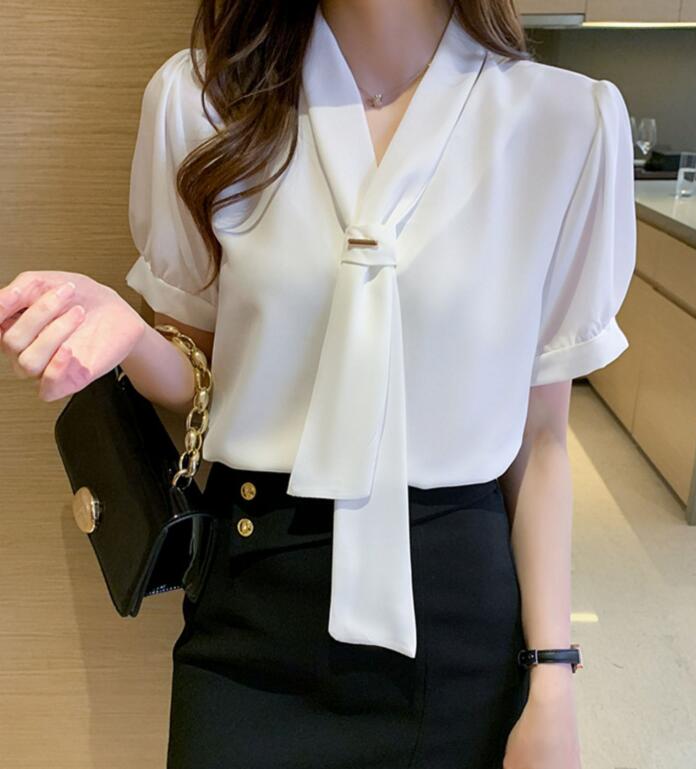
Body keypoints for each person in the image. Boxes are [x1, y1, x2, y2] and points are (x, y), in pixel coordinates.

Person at [0, 0, 636, 767]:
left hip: (458, 620)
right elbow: (203, 383)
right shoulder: (203, 102)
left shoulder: (564, 122)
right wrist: (132, 338)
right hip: (251, 601)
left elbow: (541, 437)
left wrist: (552, 678)